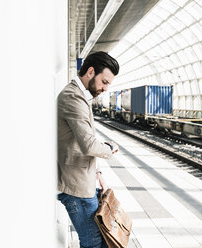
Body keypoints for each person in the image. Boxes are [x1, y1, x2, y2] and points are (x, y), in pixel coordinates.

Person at [57, 51, 120, 248]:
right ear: (91, 72)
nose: (106, 88)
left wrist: (98, 172)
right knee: (93, 243)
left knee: (98, 241)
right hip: (76, 186)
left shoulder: (79, 96)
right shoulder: (72, 98)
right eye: (104, 81)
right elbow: (89, 144)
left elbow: (81, 141)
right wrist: (111, 148)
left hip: (83, 180)